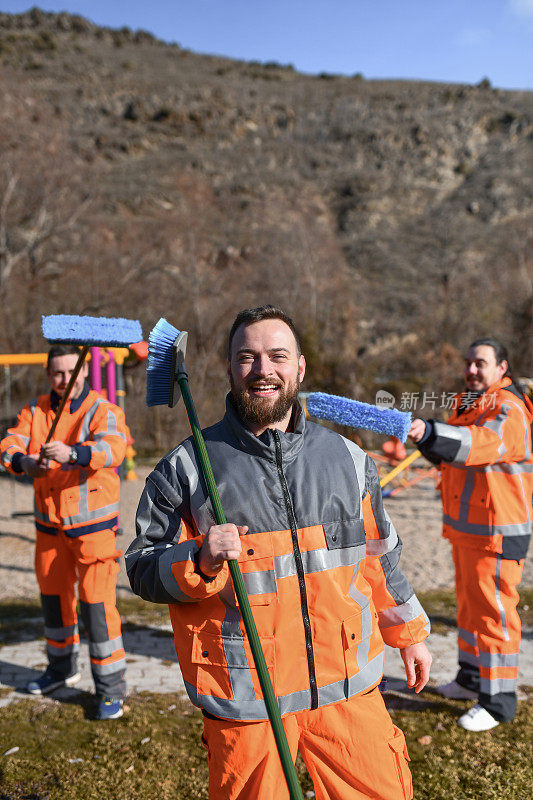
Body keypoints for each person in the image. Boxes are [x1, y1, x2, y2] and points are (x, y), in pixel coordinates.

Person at [126, 305, 431, 800]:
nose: (262, 369)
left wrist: (410, 633)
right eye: (246, 357)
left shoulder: (349, 460)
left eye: (277, 356)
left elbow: (380, 556)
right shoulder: (185, 468)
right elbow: (141, 569)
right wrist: (198, 561)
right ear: (229, 368)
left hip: (347, 684)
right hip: (249, 695)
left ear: (300, 367)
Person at [409, 337, 532, 732]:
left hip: (497, 532)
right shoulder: (465, 403)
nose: (472, 370)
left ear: (502, 368)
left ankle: (498, 702)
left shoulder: (508, 408)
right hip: (467, 531)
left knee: (494, 616)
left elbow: (480, 445)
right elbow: (450, 451)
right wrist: (423, 436)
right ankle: (471, 680)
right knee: (469, 609)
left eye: (481, 363)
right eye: (468, 363)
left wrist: (430, 432)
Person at [0, 345, 128, 720]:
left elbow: (114, 448)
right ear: (48, 374)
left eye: (68, 372)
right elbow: (10, 444)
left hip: (93, 532)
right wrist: (25, 462)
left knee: (97, 607)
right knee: (54, 601)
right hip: (48, 529)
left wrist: (73, 453)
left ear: (84, 371)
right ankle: (61, 669)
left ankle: (110, 690)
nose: (63, 381)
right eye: (56, 374)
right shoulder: (35, 409)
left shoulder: (102, 410)